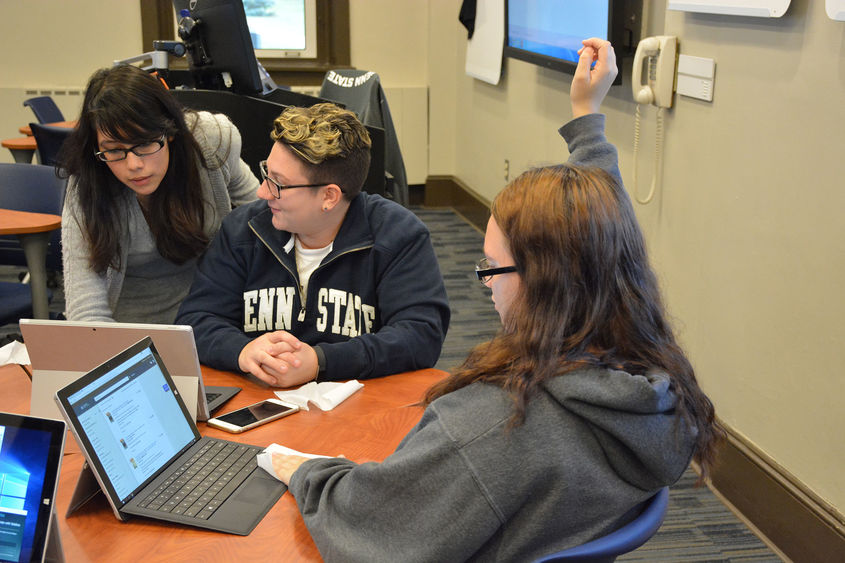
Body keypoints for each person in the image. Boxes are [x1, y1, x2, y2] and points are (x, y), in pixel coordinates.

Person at [268, 39, 721, 561]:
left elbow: (369, 525)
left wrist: (306, 470)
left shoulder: (491, 426)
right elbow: (604, 230)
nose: (485, 284)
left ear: (543, 281)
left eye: (490, 267)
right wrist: (586, 117)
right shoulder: (654, 384)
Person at [175, 103, 450, 386]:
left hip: (359, 407)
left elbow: (420, 336)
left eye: (278, 183)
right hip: (259, 401)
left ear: (329, 197)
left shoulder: (398, 236)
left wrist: (321, 361)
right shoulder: (243, 230)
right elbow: (196, 320)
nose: (261, 191)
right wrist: (242, 350)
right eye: (266, 172)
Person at [60, 65, 259, 324]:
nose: (133, 165)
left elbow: (265, 214)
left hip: (214, 319)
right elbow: (87, 314)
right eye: (114, 150)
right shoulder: (89, 183)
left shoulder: (211, 142)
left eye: (144, 143)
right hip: (130, 333)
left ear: (171, 131)